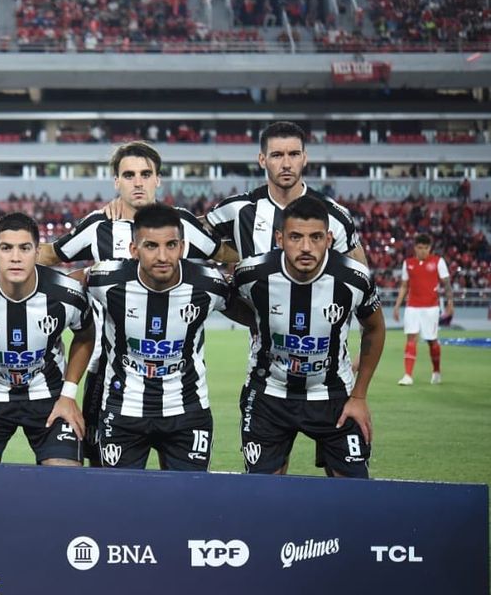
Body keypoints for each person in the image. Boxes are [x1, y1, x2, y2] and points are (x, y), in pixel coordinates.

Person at [38, 141, 233, 466]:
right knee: (107, 475)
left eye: (146, 174)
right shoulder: (99, 226)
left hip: (176, 373)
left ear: (158, 179)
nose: (138, 182)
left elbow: (224, 256)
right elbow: (52, 255)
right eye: (129, 175)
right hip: (108, 371)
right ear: (116, 182)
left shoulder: (184, 225)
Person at [86, 204, 254, 470]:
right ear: (133, 250)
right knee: (119, 501)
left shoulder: (208, 284)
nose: (162, 256)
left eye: (171, 245)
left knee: (188, 502)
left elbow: (256, 318)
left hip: (188, 413)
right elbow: (65, 292)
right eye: (151, 246)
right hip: (123, 412)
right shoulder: (105, 281)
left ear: (183, 247)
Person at [233, 196, 385, 478]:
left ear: (329, 239)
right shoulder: (251, 274)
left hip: (335, 397)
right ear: (279, 238)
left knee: (354, 495)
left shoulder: (354, 279)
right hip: (269, 395)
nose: (305, 247)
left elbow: (375, 328)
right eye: (295, 237)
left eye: (315, 237)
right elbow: (229, 302)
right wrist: (257, 321)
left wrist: (360, 396)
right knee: (262, 494)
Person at [0, 213, 94, 467]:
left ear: (37, 252)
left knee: (66, 479)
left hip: (50, 396)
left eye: (25, 248)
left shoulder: (67, 294)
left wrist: (69, 393)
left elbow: (85, 335)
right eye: (6, 248)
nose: (16, 257)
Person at [207, 121, 367, 264]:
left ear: (304, 158)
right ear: (262, 160)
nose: (286, 164)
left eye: (294, 154)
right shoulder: (238, 209)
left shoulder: (336, 217)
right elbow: (189, 234)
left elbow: (363, 286)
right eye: (277, 155)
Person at [393, 233, 454, 385]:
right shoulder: (408, 263)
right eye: (420, 248)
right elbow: (404, 286)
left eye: (426, 248)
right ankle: (408, 375)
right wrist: (397, 305)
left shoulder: (438, 262)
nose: (422, 251)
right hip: (412, 307)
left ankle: (436, 371)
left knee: (432, 341)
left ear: (430, 248)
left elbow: (446, 284)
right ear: (415, 248)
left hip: (431, 308)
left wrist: (450, 303)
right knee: (411, 338)